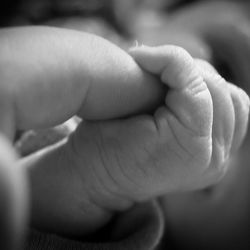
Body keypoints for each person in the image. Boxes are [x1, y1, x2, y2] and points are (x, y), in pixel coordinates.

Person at [0, 26, 249, 249]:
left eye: (238, 133)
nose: (208, 99)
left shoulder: (131, 223)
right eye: (226, 67)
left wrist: (97, 175)